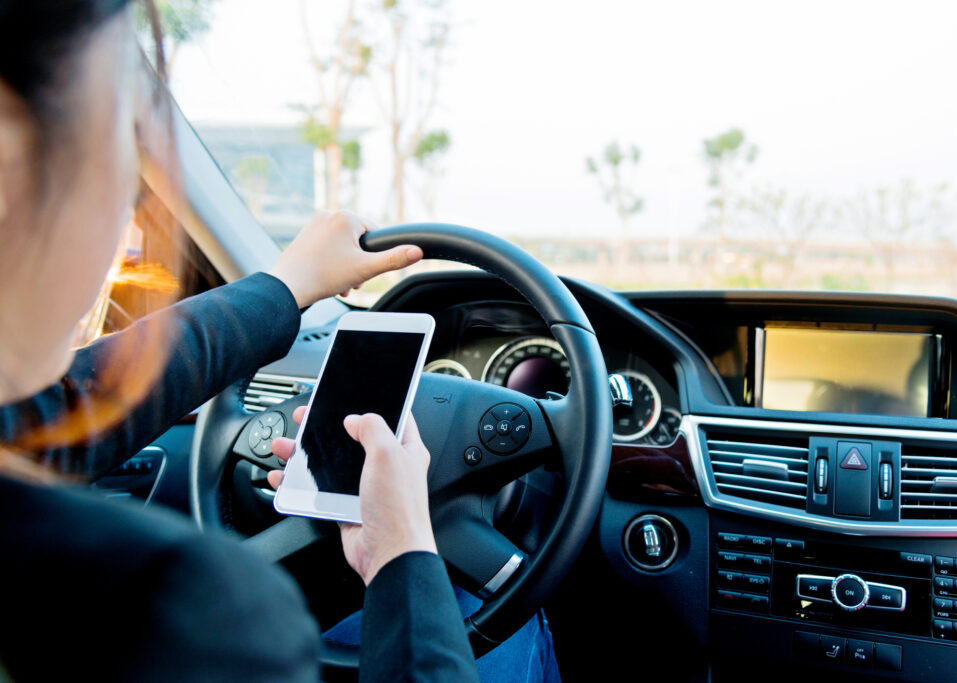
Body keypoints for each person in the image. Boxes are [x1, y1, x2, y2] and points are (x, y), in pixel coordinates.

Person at [0, 1, 553, 681]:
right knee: (515, 626)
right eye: (125, 129)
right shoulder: (199, 616)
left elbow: (72, 404)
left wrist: (289, 283)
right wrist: (403, 548)